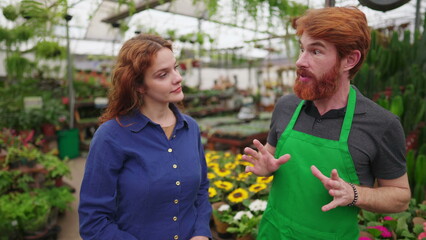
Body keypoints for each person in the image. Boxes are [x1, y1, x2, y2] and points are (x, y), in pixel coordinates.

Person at [242, 7, 411, 240]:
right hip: (273, 232)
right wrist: (264, 169)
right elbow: (270, 157)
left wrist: (354, 194)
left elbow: (400, 196)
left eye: (316, 51)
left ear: (349, 60)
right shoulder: (286, 107)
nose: (300, 61)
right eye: (302, 49)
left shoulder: (381, 124)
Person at [78, 34, 212, 240]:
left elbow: (201, 191)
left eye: (175, 68)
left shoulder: (190, 128)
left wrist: (202, 233)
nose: (178, 78)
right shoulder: (111, 136)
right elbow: (93, 222)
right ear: (139, 85)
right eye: (162, 74)